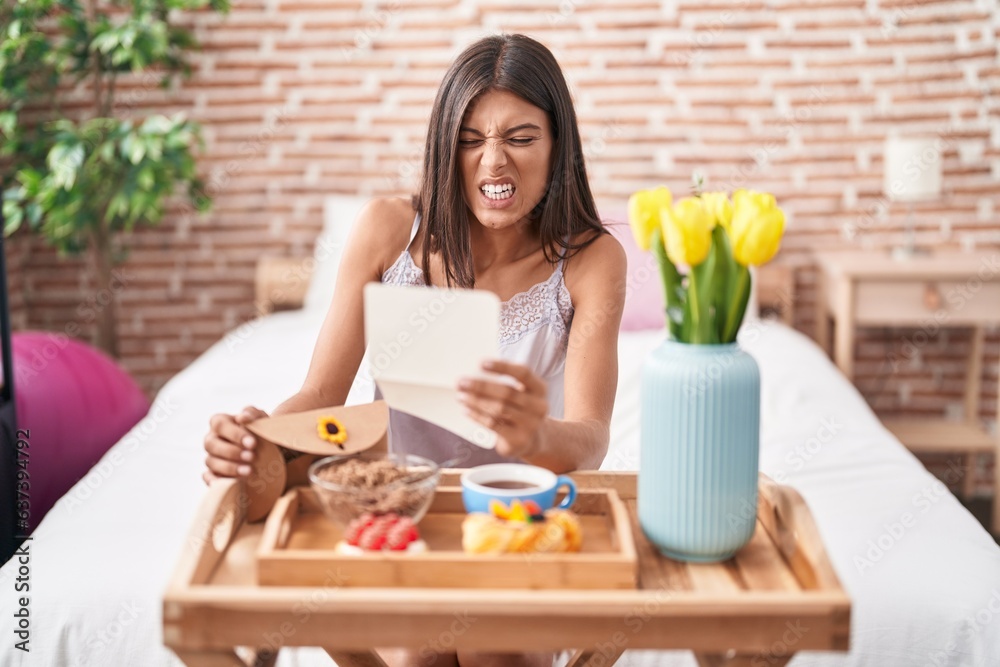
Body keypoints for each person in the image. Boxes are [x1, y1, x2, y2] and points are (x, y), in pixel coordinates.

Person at [202, 33, 626, 667]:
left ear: (558, 143)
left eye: (520, 138)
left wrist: (534, 434)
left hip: (514, 515)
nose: (493, 165)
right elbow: (323, 396)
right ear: (443, 144)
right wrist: (259, 436)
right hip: (395, 512)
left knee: (496, 651)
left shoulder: (592, 260)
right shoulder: (386, 230)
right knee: (417, 649)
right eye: (470, 139)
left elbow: (591, 438)